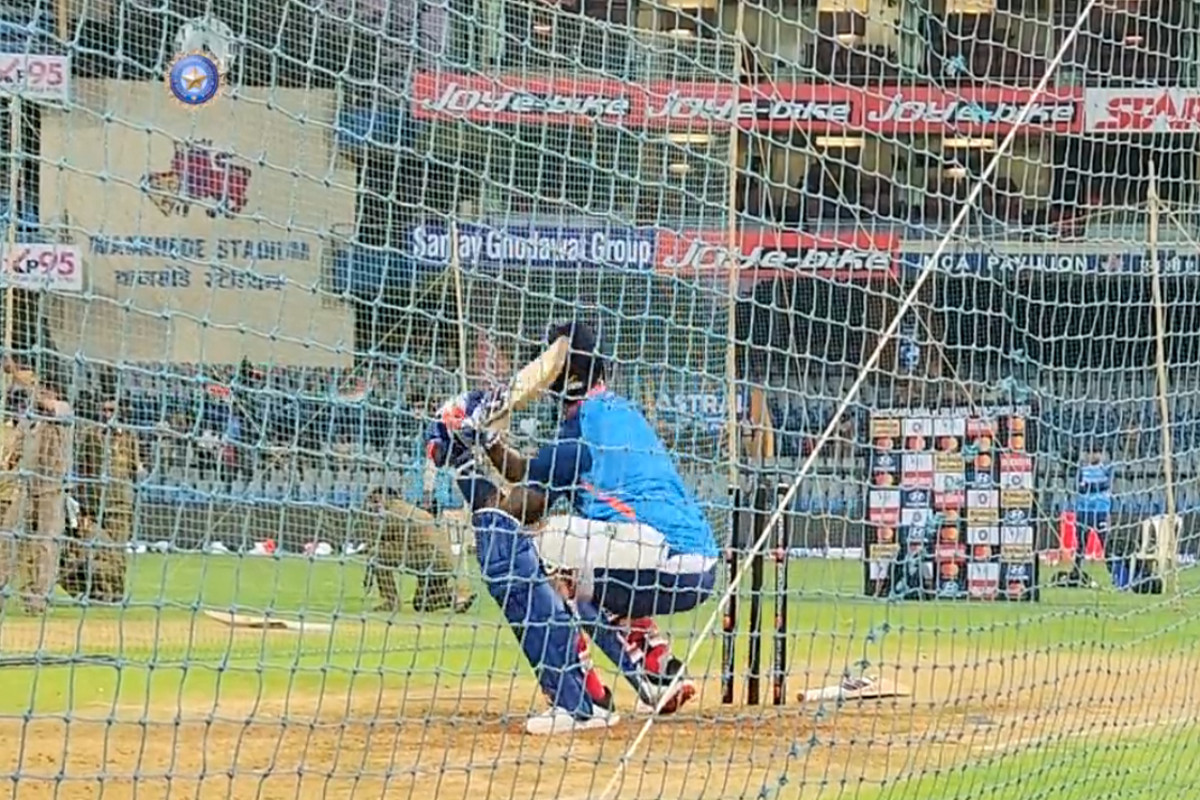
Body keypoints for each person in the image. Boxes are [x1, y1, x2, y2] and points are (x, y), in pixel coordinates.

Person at [426, 321, 718, 734]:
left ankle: (579, 702)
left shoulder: (581, 428)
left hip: (662, 554)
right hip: (693, 563)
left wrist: (462, 463)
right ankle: (656, 670)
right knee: (581, 562)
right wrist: (486, 443)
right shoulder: (614, 413)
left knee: (525, 548)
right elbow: (530, 472)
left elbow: (514, 515)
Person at [0, 359, 72, 614]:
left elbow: (48, 406)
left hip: (51, 490)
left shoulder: (63, 410)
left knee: (45, 545)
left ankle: (38, 600)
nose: (41, 392)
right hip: (26, 487)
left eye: (45, 389)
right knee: (7, 537)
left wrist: (16, 373)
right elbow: (17, 447)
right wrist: (10, 459)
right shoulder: (30, 417)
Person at [361, 487, 476, 614]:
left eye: (375, 501)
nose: (373, 506)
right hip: (444, 562)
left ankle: (391, 601)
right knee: (420, 604)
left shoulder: (394, 511)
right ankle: (457, 598)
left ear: (386, 498)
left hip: (428, 555)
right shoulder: (410, 509)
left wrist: (370, 568)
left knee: (378, 555)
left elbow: (381, 540)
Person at [72, 392, 140, 601]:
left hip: (120, 503)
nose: (107, 414)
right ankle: (99, 591)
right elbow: (82, 469)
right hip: (94, 503)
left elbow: (134, 469)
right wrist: (82, 503)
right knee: (96, 550)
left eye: (111, 410)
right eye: (104, 410)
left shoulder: (129, 436)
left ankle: (116, 593)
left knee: (117, 551)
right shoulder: (90, 434)